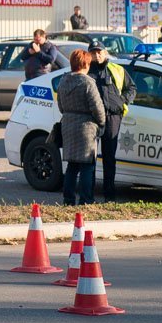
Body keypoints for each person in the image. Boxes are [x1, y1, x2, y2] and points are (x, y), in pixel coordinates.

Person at [88, 40, 136, 203]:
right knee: (90, 158)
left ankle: (109, 195)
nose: (97, 55)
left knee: (109, 158)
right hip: (91, 119)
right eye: (93, 52)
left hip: (112, 118)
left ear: (105, 52)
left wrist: (122, 102)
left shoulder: (117, 70)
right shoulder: (86, 70)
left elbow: (132, 88)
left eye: (99, 52)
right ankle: (89, 195)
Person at [58, 49, 106, 206]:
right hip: (86, 127)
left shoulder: (63, 81)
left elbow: (60, 106)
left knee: (72, 166)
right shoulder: (88, 82)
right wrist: (102, 122)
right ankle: (86, 199)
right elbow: (97, 108)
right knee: (87, 166)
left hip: (68, 124)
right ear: (85, 63)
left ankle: (68, 199)